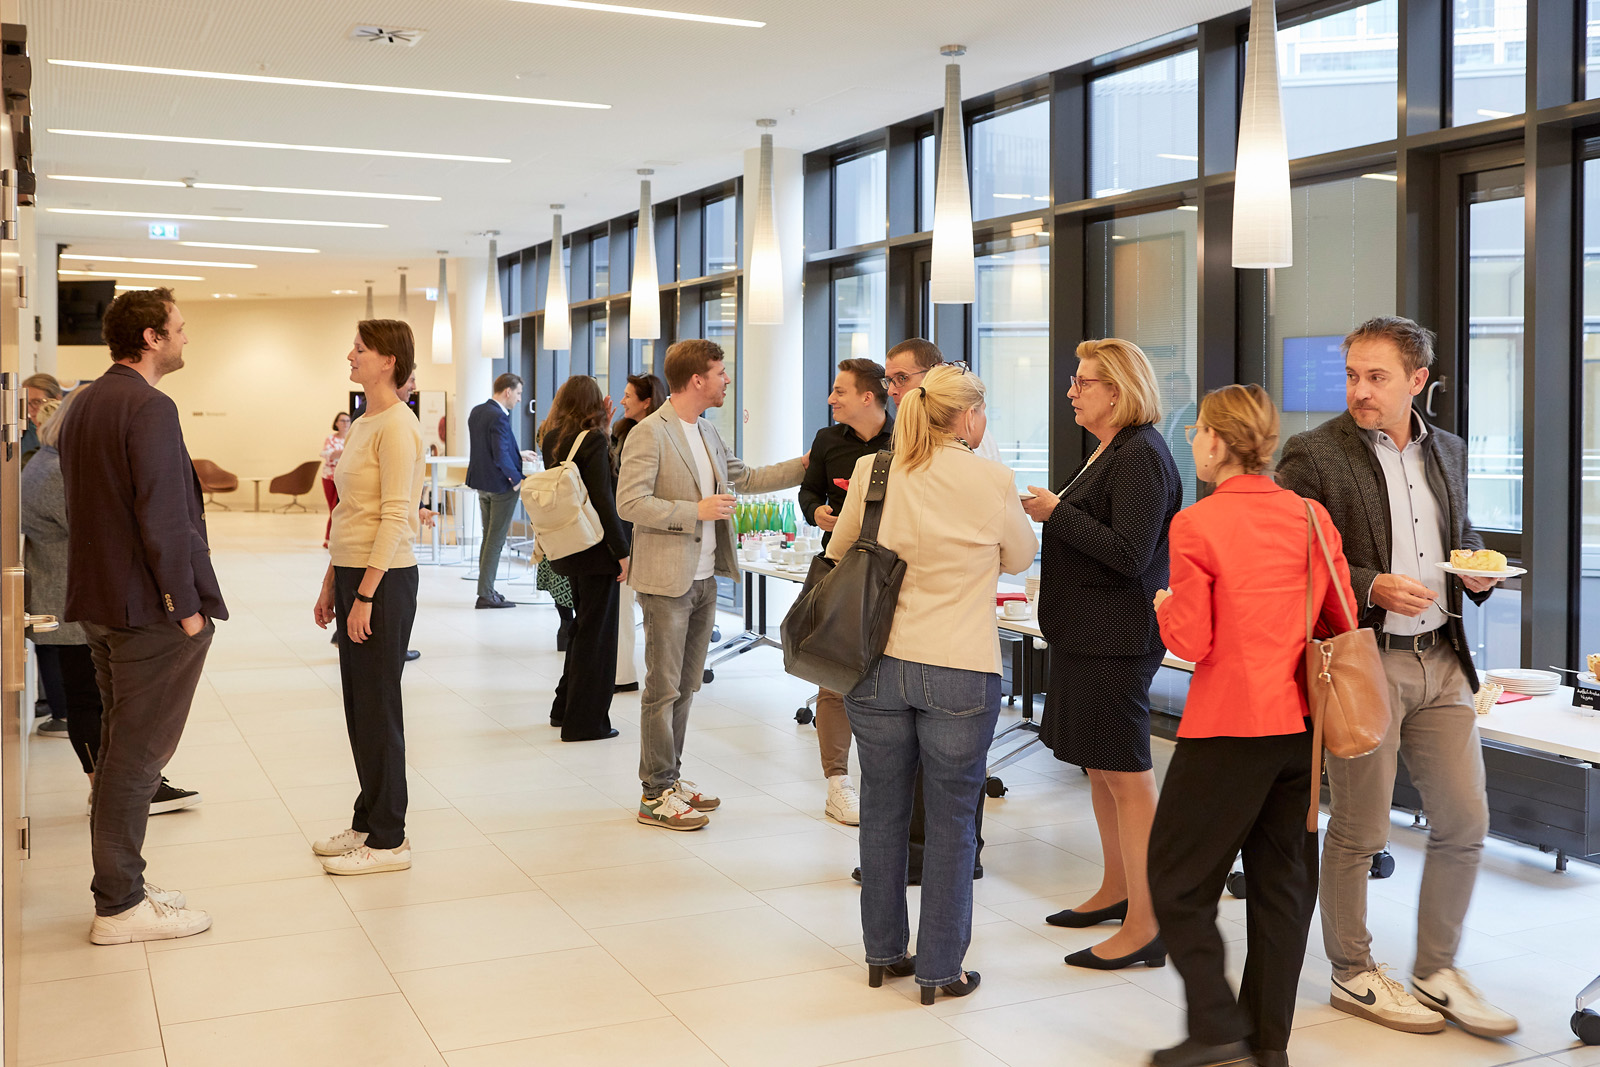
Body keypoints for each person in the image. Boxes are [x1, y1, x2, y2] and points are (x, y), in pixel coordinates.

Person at [1276, 316, 1518, 1039]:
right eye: (1352, 375)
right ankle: (1351, 971)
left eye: (1376, 377)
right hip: (1364, 659)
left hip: (1443, 659)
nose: (1359, 390)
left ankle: (1436, 969)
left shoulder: (1448, 449)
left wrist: (1476, 567)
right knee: (1361, 829)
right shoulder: (1314, 453)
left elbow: (1458, 536)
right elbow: (1291, 554)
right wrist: (1370, 584)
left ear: (1418, 380)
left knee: (1465, 822)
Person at [1147, 386, 1356, 1067]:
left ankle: (1215, 1024)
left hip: (1228, 727)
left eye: (1197, 432)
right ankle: (1268, 1044)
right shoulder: (1310, 516)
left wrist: (1164, 604)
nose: (1192, 442)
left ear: (1215, 439)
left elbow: (1193, 639)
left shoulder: (1198, 524)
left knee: (1176, 881)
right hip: (1299, 729)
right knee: (1282, 887)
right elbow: (1341, 620)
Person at [829, 364, 1037, 1004]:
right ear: (968, 417)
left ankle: (882, 952)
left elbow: (840, 552)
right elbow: (1020, 557)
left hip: (877, 665)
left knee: (882, 810)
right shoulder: (991, 479)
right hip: (959, 667)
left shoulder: (875, 472)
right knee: (951, 821)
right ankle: (941, 969)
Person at [59, 288, 224, 944]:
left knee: (119, 751)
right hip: (146, 610)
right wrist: (186, 610)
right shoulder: (151, 406)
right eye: (178, 328)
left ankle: (121, 887)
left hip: (100, 603)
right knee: (137, 760)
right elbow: (163, 514)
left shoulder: (86, 401)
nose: (185, 337)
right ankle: (120, 904)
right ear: (151, 337)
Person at [1022, 337, 1182, 970]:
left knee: (1127, 775)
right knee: (1100, 767)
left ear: (1116, 392)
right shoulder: (1109, 449)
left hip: (1117, 638)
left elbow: (1128, 553)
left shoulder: (1141, 454)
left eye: (1082, 382)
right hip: (1088, 634)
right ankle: (1118, 889)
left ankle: (1149, 921)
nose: (1071, 391)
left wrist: (1056, 512)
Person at [617, 338, 806, 830]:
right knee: (662, 690)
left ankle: (671, 779)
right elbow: (629, 503)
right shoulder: (650, 433)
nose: (727, 380)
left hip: (704, 581)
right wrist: (694, 511)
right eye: (721, 372)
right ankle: (654, 794)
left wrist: (809, 462)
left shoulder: (706, 431)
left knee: (686, 687)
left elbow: (749, 477)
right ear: (697, 379)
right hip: (666, 583)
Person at [847, 337, 993, 883]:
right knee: (922, 798)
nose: (893, 390)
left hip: (897, 651)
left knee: (903, 802)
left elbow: (843, 551)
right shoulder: (885, 464)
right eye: (889, 380)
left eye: (902, 379)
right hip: (939, 653)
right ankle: (928, 871)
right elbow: (1017, 551)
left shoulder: (972, 466)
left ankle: (938, 867)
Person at [311, 319, 426, 876]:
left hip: (385, 579)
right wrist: (332, 579)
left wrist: (364, 594)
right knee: (360, 709)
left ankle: (389, 840)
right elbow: (349, 511)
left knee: (379, 709)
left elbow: (395, 515)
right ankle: (367, 819)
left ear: (388, 361)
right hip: (356, 572)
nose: (350, 355)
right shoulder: (363, 422)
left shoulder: (399, 426)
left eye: (360, 348)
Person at [797, 357, 893, 826]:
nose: (831, 399)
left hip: (893, 572)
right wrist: (816, 512)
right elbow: (808, 492)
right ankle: (838, 783)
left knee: (888, 681)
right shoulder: (826, 440)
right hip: (838, 568)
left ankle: (888, 782)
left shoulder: (907, 440)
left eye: (840, 391)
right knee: (832, 677)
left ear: (867, 396)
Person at [541, 375, 631, 741]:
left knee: (582, 629)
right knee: (598, 637)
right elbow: (603, 500)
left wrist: (604, 429)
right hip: (597, 549)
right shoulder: (591, 440)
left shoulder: (551, 438)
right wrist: (622, 552)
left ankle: (564, 708)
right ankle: (586, 723)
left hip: (570, 546)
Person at [611, 373, 666, 694]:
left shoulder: (652, 437)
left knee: (643, 610)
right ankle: (622, 673)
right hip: (625, 532)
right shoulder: (622, 433)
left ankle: (626, 675)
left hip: (643, 534)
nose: (622, 401)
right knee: (624, 607)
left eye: (628, 396)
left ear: (646, 402)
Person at [466, 373, 526, 609]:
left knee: (488, 538)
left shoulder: (477, 412)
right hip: (501, 486)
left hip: (483, 484)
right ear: (508, 392)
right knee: (495, 540)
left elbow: (488, 449)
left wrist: (519, 455)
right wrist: (517, 480)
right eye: (518, 393)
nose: (519, 399)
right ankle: (485, 593)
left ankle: (487, 589)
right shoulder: (499, 416)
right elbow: (499, 454)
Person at [320, 411, 351, 549]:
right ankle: (329, 539)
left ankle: (338, 538)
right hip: (329, 477)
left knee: (340, 509)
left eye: (347, 421)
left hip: (345, 478)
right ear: (336, 423)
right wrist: (341, 453)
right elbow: (328, 454)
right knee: (333, 509)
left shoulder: (352, 438)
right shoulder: (331, 439)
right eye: (342, 421)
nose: (345, 423)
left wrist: (338, 453)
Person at [20, 371, 62, 469]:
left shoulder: (66, 433)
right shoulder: (22, 432)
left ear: (56, 399)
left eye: (36, 402)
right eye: (26, 402)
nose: (30, 408)